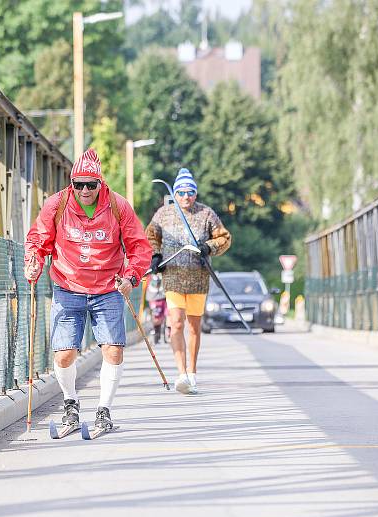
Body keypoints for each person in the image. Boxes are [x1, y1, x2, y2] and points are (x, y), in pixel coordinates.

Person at [24, 148, 152, 430]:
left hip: (108, 288)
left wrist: (131, 278)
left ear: (100, 183)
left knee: (113, 350)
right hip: (68, 286)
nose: (84, 190)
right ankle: (70, 403)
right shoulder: (56, 205)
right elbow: (38, 239)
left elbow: (139, 247)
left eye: (90, 185)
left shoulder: (118, 206)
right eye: (78, 184)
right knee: (64, 354)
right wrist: (33, 261)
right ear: (72, 183)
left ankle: (104, 410)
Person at [146, 168, 231, 394]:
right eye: (181, 192)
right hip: (173, 277)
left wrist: (208, 247)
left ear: (195, 193)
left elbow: (224, 237)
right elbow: (150, 235)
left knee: (194, 327)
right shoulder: (164, 213)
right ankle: (181, 373)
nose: (186, 196)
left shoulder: (206, 214)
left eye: (190, 192)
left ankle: (192, 373)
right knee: (176, 323)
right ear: (175, 193)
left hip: (198, 279)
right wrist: (155, 255)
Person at [145, 274, 168, 344]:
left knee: (159, 318)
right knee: (156, 318)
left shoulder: (151, 275)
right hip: (155, 298)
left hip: (158, 297)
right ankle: (155, 336)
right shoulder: (150, 276)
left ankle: (157, 337)